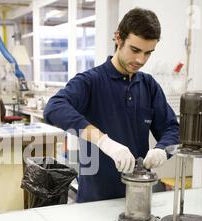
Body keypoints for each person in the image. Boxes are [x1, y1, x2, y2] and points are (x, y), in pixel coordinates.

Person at [44, 8, 179, 203]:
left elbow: (171, 128)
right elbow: (54, 108)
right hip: (95, 200)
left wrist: (163, 149)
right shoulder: (91, 81)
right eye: (135, 50)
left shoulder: (148, 86)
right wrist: (103, 141)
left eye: (148, 53)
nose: (141, 60)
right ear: (118, 38)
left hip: (137, 198)